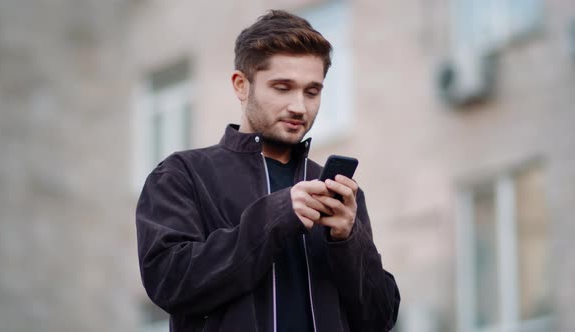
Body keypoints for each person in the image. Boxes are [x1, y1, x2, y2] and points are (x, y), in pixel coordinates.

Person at [136, 9, 400, 332]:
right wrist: (277, 215)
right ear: (241, 85)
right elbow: (169, 281)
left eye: (312, 91)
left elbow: (380, 319)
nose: (299, 106)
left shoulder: (337, 194)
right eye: (282, 87)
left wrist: (348, 239)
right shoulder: (183, 175)